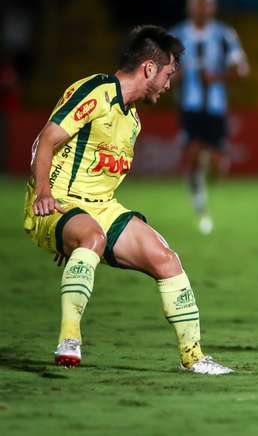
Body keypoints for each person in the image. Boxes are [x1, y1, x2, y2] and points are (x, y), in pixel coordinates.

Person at [23, 25, 232, 374]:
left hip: (100, 206)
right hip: (57, 201)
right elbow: (45, 140)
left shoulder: (131, 118)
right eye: (168, 74)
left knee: (166, 258)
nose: (169, 84)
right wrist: (43, 193)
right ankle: (69, 340)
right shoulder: (96, 91)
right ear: (149, 68)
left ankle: (194, 357)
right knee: (91, 236)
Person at [170, 0, 250, 234]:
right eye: (198, 3)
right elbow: (161, 73)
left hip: (216, 108)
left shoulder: (224, 35)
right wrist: (175, 76)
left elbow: (242, 69)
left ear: (214, 7)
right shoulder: (176, 35)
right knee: (193, 154)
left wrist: (216, 78)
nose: (203, 8)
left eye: (207, 3)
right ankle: (199, 204)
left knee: (217, 166)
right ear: (190, 6)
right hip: (189, 107)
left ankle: (209, 174)